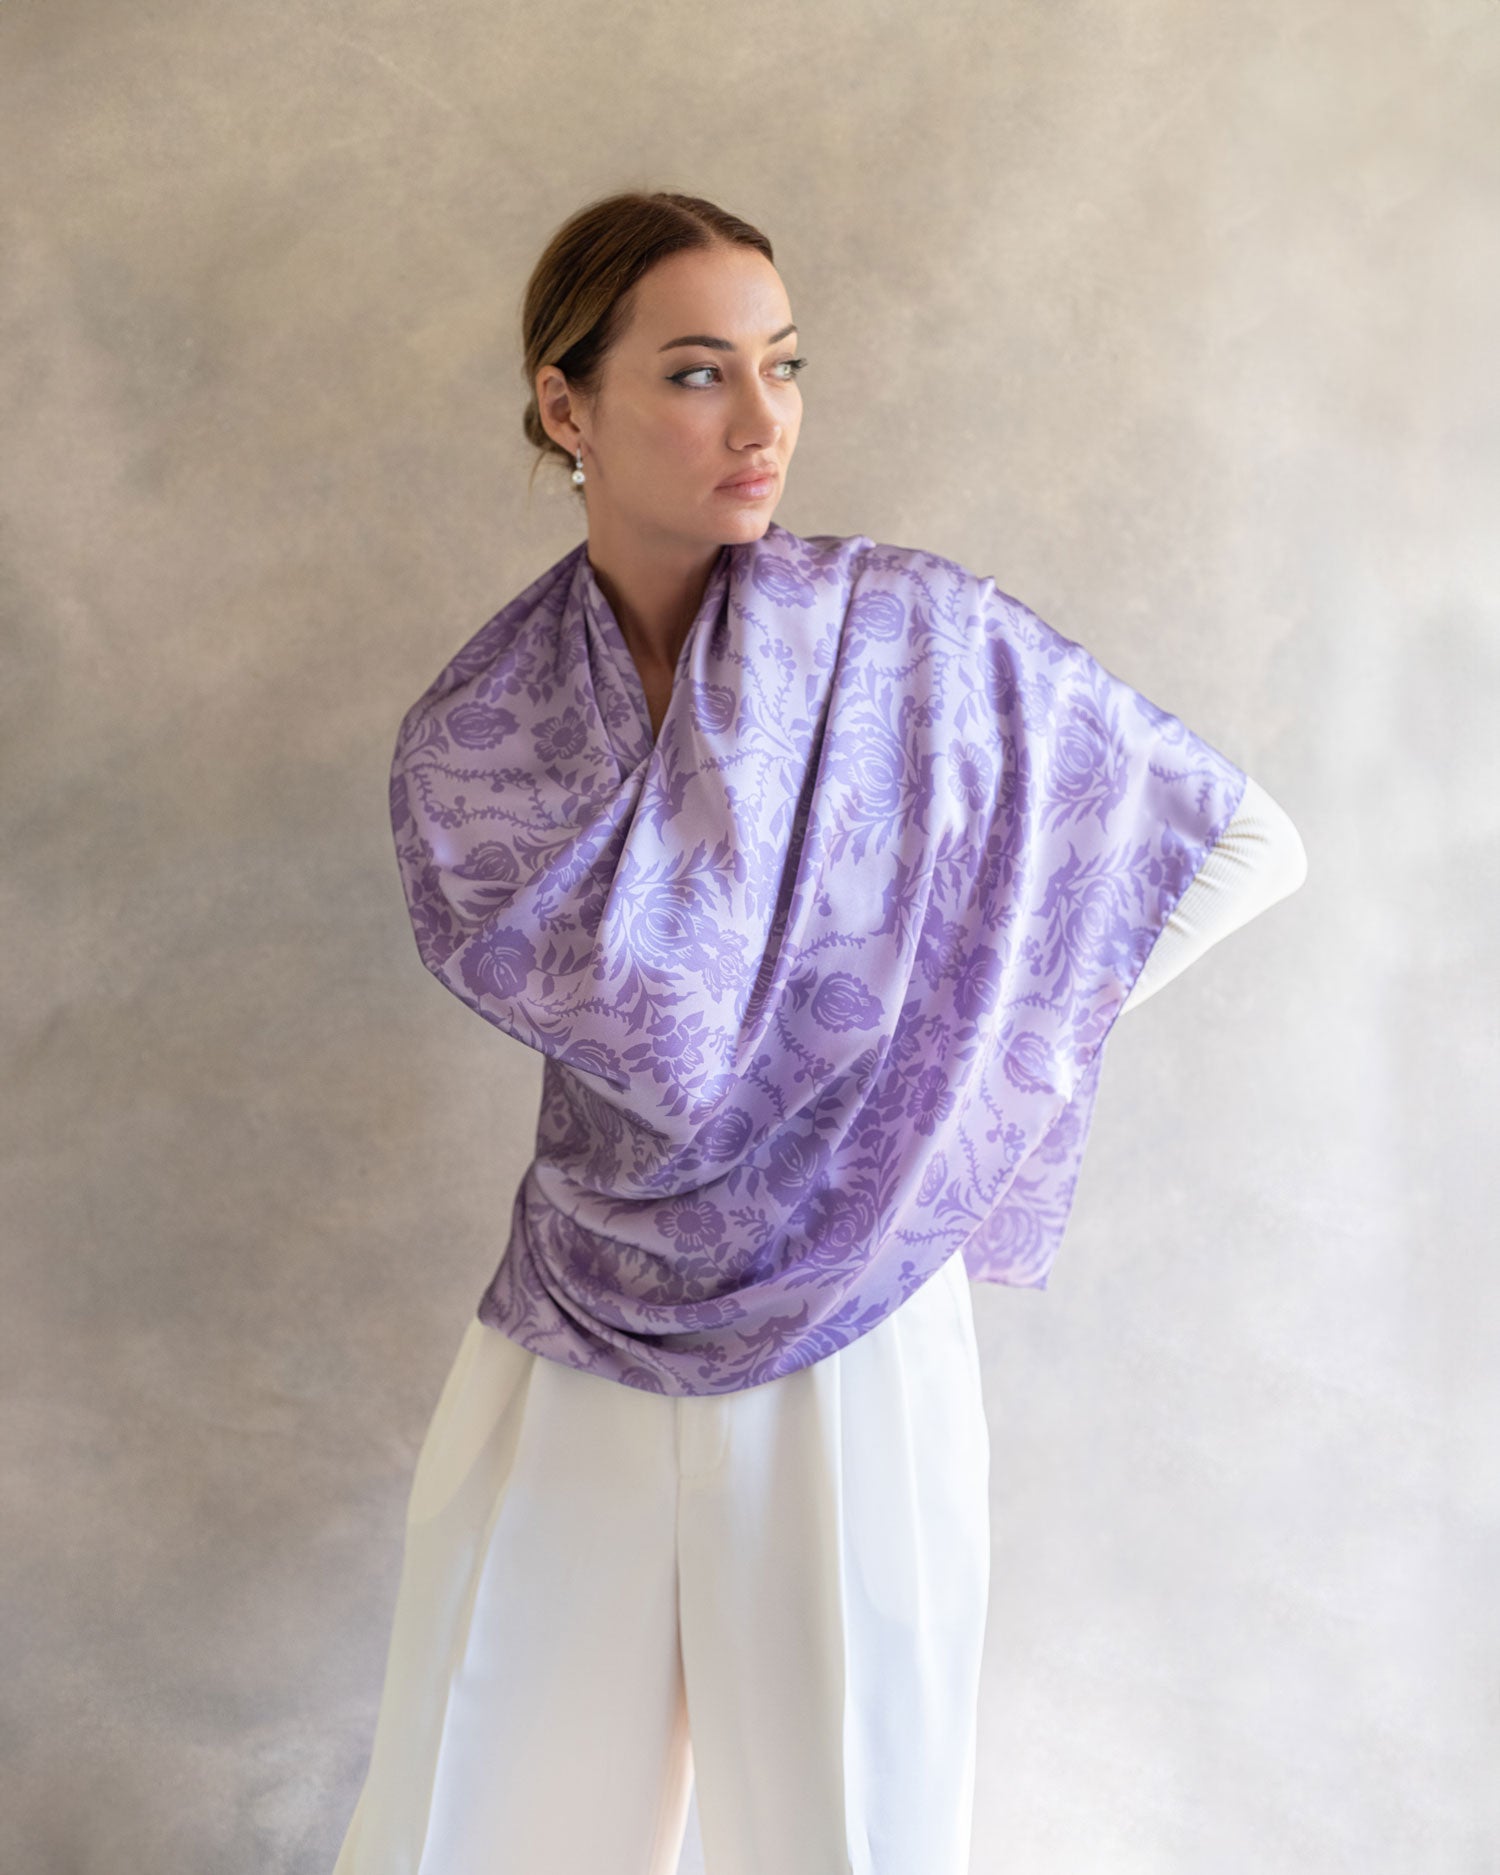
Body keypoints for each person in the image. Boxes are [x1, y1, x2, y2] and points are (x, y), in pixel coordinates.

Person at [332, 190, 1307, 1875]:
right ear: (568, 407)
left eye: (784, 365)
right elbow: (647, 1025)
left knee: (843, 1833)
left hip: (850, 1321)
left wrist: (943, 1054)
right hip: (575, 1325)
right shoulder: (480, 732)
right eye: (700, 371)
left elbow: (1238, 844)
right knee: (476, 1810)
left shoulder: (906, 643)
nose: (764, 419)